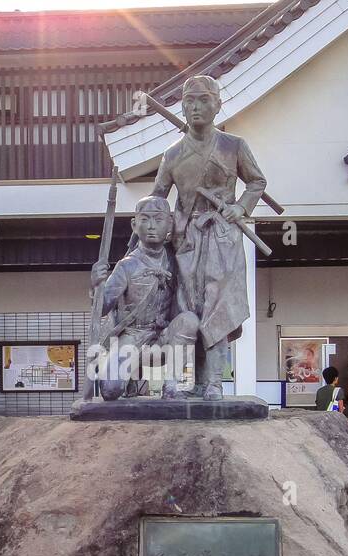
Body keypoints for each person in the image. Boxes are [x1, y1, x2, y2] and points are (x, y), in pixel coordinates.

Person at [151, 74, 267, 401]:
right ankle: (181, 381)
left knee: (219, 308)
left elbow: (256, 182)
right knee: (186, 311)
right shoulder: (172, 154)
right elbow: (159, 198)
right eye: (190, 102)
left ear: (217, 105)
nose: (196, 108)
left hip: (222, 238)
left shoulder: (234, 146)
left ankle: (214, 381)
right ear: (183, 107)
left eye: (204, 101)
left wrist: (240, 208)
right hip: (186, 241)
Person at [90, 195, 198, 400]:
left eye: (158, 220)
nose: (151, 226)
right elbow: (103, 307)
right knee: (110, 390)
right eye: (145, 219)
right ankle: (127, 377)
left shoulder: (176, 262)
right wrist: (96, 286)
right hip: (132, 337)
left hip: (164, 336)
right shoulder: (127, 266)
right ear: (134, 224)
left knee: (190, 320)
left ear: (169, 223)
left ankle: (172, 385)